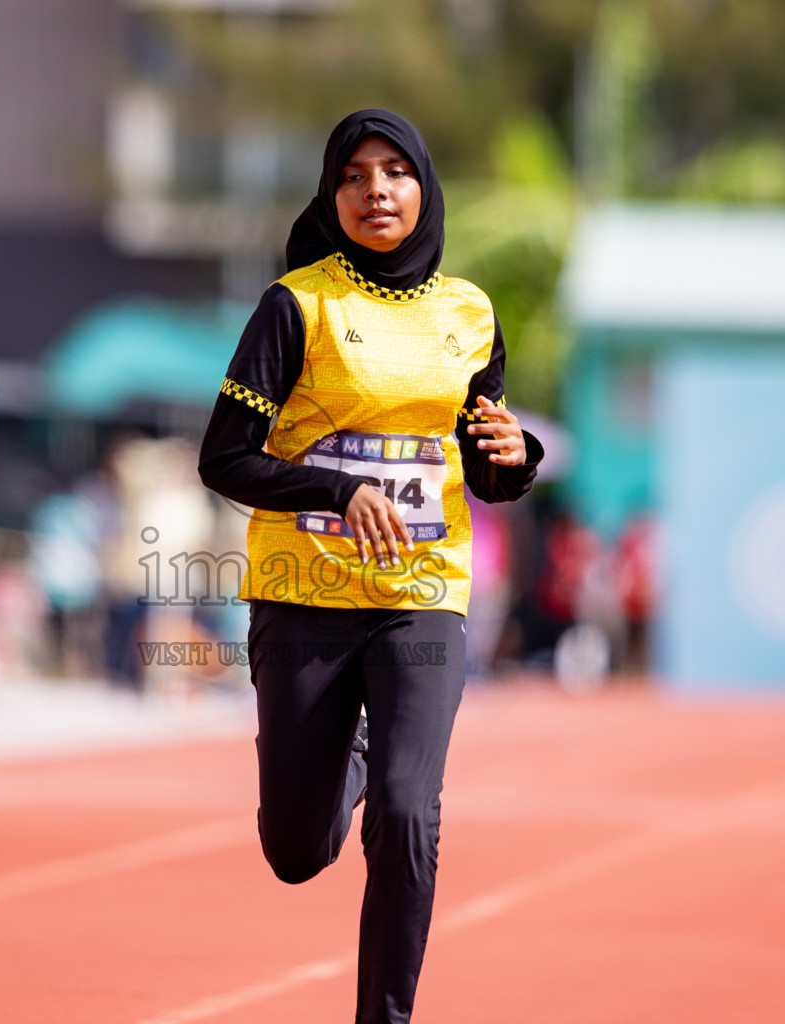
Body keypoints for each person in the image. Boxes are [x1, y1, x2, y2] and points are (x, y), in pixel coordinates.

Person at [197, 109, 543, 1024]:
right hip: (304, 593)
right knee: (298, 848)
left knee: (407, 811)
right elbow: (224, 457)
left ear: (424, 187)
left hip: (422, 599)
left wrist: (515, 455)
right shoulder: (295, 306)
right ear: (332, 193)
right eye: (354, 175)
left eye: (394, 172)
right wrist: (334, 489)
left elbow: (484, 462)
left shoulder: (469, 314)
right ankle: (344, 746)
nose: (375, 190)